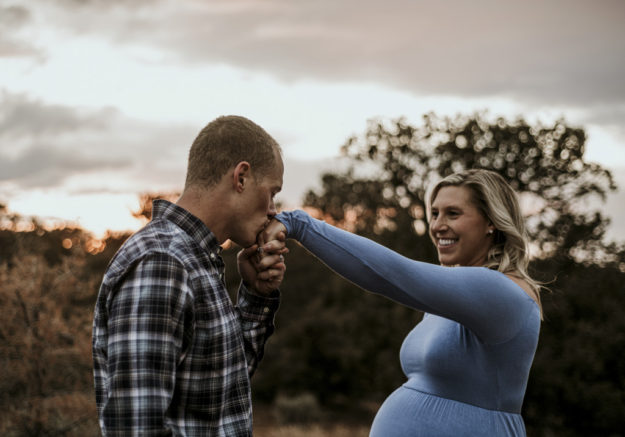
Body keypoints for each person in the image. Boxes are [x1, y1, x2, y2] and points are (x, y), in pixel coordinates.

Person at [260, 169, 542, 436]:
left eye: (453, 214)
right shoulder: (455, 297)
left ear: (491, 221)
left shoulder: (501, 291)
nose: (438, 226)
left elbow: (392, 274)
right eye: (434, 214)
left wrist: (299, 224)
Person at [92, 115, 288, 436]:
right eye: (273, 192)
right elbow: (136, 429)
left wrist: (256, 295)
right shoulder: (163, 262)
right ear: (241, 177)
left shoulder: (197, 259)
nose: (273, 210)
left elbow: (218, 395)